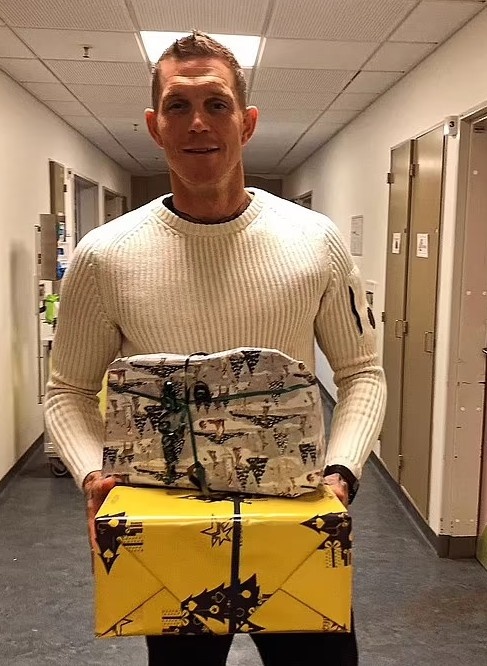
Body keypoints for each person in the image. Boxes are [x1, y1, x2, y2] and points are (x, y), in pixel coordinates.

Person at [45, 31, 386, 666]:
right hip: (168, 525)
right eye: (178, 105)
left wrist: (342, 474)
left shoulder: (315, 241)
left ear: (246, 122)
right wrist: (94, 474)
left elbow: (363, 372)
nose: (198, 122)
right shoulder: (105, 255)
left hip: (295, 518)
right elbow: (67, 390)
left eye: (217, 104)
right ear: (155, 125)